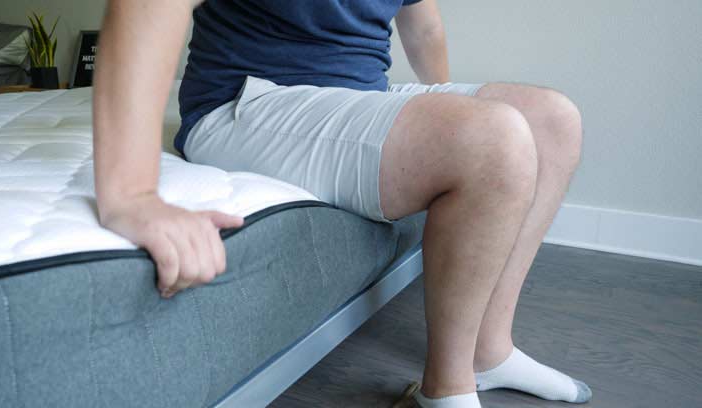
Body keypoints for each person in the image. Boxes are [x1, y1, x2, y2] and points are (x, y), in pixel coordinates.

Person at [93, 0, 591, 407]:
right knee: (492, 140)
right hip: (246, 102)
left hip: (356, 93)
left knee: (552, 121)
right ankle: (448, 387)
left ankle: (490, 349)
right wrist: (132, 193)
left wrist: (441, 115)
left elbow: (424, 27)